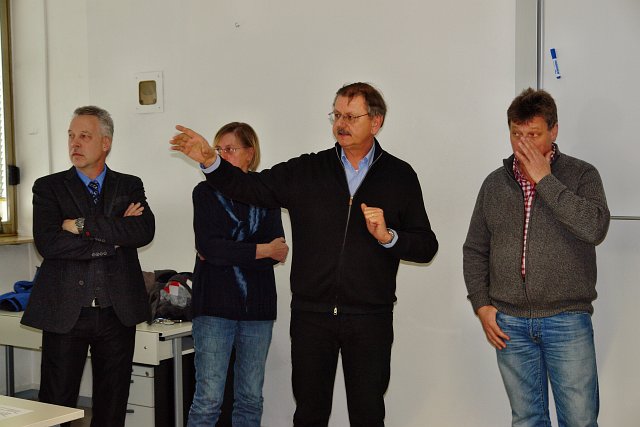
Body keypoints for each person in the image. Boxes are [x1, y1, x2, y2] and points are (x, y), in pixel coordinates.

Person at [171, 82, 438, 426]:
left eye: (351, 116)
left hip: (370, 316)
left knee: (368, 413)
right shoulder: (308, 170)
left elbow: (426, 245)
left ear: (376, 122)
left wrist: (389, 237)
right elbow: (251, 187)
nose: (341, 123)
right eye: (336, 115)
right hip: (312, 316)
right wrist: (211, 161)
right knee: (309, 414)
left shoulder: (399, 176)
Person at [463, 88, 610, 426]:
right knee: (527, 419)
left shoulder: (582, 175)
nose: (523, 143)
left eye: (533, 134)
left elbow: (595, 228)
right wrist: (482, 305)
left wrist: (546, 180)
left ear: (553, 131)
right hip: (510, 323)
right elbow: (475, 249)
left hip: (567, 319)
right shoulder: (495, 184)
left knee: (580, 420)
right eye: (517, 134)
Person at [21, 106, 155, 427]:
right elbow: (49, 243)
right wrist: (113, 239)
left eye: (84, 136)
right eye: (71, 136)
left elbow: (142, 231)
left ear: (105, 143)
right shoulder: (48, 187)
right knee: (55, 408)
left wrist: (79, 225)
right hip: (66, 310)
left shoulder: (129, 185)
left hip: (117, 311)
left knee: (112, 407)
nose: (75, 143)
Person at [187, 122, 288, 427]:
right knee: (208, 401)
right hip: (213, 308)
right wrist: (260, 249)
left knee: (250, 399)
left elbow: (279, 251)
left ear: (249, 154)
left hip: (257, 309)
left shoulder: (266, 192)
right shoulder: (205, 192)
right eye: (218, 149)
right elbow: (208, 247)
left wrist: (230, 251)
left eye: (230, 149)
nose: (222, 155)